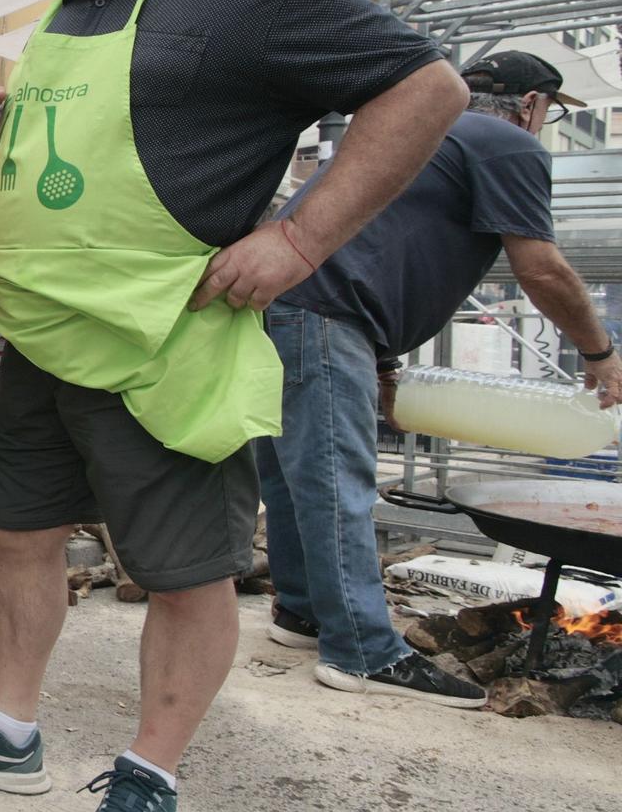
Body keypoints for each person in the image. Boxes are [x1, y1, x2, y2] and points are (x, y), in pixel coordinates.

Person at [0, 0, 468, 812]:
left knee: (183, 570)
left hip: (166, 341)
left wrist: (297, 243)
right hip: (41, 342)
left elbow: (425, 89)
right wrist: (3, 130)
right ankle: (9, 731)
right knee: (19, 533)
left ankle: (149, 773)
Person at [259, 50, 622, 706]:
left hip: (284, 302)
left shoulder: (419, 130)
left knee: (296, 471)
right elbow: (540, 268)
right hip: (327, 312)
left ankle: (303, 609)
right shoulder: (507, 142)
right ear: (532, 105)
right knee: (337, 478)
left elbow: (381, 240)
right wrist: (599, 351)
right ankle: (363, 650)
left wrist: (383, 364)